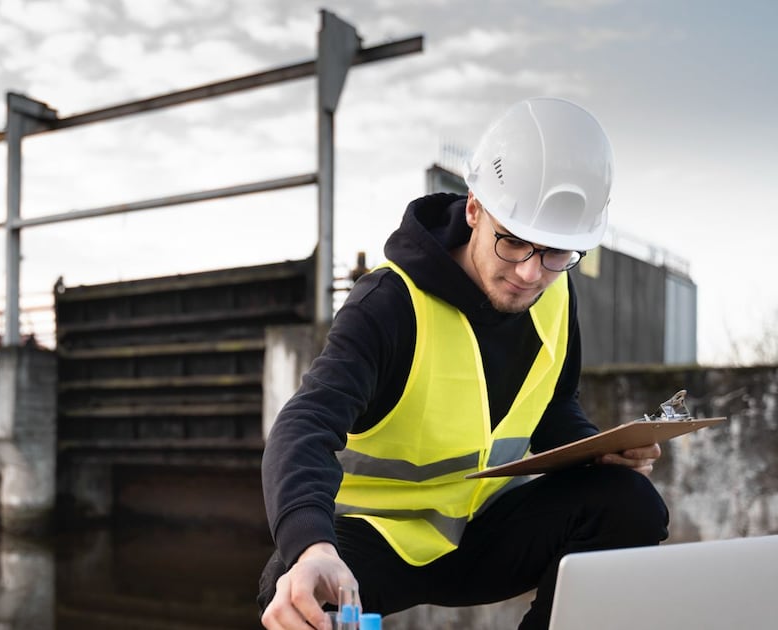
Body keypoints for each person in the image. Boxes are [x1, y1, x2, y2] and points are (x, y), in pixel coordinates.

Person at [258, 97, 669, 630]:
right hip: (380, 539)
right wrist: (311, 546)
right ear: (474, 209)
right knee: (293, 592)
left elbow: (552, 404)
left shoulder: (556, 291)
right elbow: (304, 426)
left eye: (555, 252)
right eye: (513, 241)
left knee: (629, 503)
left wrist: (597, 452)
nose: (529, 273)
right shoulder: (387, 304)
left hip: (486, 530)